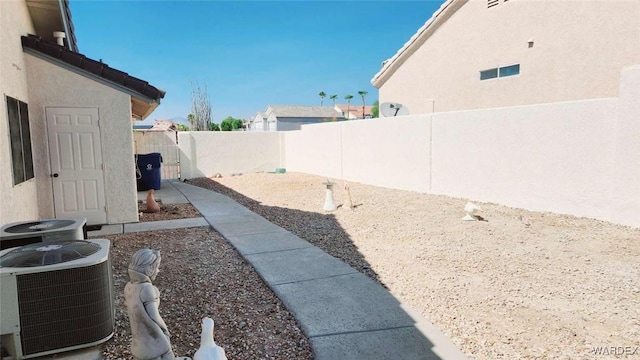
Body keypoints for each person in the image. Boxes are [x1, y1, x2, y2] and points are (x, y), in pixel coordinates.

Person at [124, 249, 176, 360]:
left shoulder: (129, 287)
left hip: (139, 342)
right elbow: (155, 317)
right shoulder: (147, 290)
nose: (158, 271)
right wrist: (165, 332)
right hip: (154, 343)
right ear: (149, 269)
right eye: (156, 267)